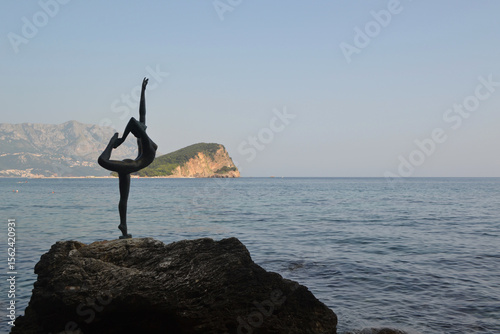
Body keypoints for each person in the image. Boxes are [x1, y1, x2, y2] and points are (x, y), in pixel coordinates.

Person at [98, 78, 158, 239]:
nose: (142, 126)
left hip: (129, 166)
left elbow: (136, 120)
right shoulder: (145, 142)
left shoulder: (145, 141)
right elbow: (139, 117)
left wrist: (122, 139)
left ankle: (123, 227)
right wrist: (143, 91)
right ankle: (111, 143)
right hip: (130, 166)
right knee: (102, 161)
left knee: (124, 198)